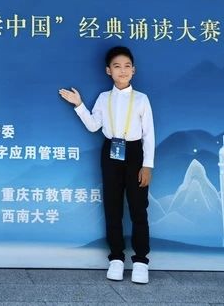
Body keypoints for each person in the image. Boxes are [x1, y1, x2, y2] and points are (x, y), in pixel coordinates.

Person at [59, 46, 155, 284]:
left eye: (127, 66)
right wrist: (79, 105)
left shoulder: (141, 99)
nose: (122, 70)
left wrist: (147, 165)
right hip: (111, 151)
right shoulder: (104, 98)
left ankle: (141, 261)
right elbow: (94, 126)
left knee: (138, 207)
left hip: (135, 153)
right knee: (112, 207)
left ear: (134, 70)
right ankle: (116, 259)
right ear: (108, 71)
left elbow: (149, 135)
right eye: (116, 66)